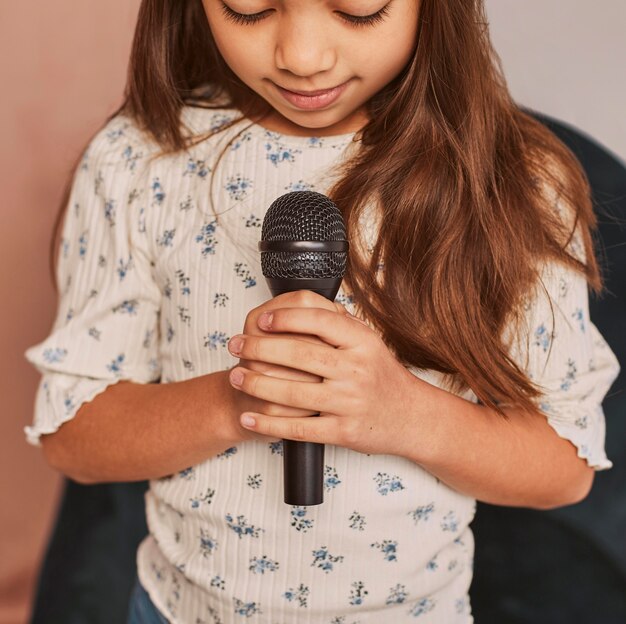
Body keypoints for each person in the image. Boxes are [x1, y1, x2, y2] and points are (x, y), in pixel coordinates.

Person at [23, 1, 621, 622]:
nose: (302, 57)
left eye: (359, 10)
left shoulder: (516, 177)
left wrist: (402, 412)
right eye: (248, 8)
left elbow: (564, 468)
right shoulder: (140, 159)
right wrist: (244, 399)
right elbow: (73, 437)